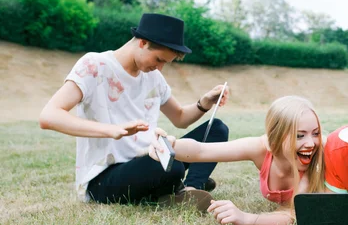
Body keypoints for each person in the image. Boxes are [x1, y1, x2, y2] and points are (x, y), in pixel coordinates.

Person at [39, 13, 230, 207]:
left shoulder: (153, 77)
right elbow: (49, 116)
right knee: (171, 167)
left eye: (165, 63)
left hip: (149, 159)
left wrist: (204, 103)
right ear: (143, 43)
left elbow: (180, 118)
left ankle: (190, 189)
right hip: (104, 177)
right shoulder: (95, 65)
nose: (160, 68)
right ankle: (172, 186)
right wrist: (111, 130)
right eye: (159, 59)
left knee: (217, 129)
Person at [149, 96, 324, 225]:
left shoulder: (316, 161)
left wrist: (246, 218)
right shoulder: (261, 149)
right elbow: (202, 151)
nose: (311, 143)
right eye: (300, 135)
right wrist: (171, 145)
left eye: (316, 133)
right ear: (275, 136)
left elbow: (292, 215)